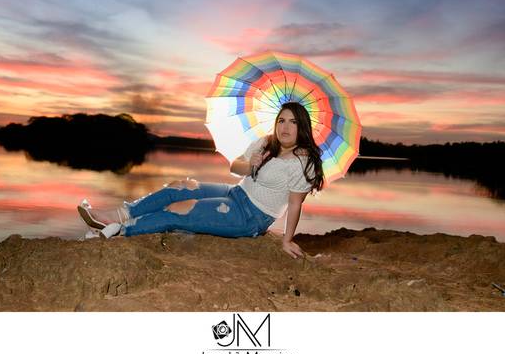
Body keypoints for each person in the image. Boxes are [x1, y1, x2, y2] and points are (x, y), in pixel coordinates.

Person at [77, 102, 325, 258]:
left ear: (302, 127)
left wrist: (287, 240)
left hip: (251, 216)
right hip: (235, 192)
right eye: (281, 120)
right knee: (179, 186)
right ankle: (116, 215)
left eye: (293, 122)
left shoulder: (304, 162)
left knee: (179, 209)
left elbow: (295, 204)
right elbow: (235, 166)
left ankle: (121, 230)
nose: (285, 127)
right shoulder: (266, 142)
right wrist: (251, 164)